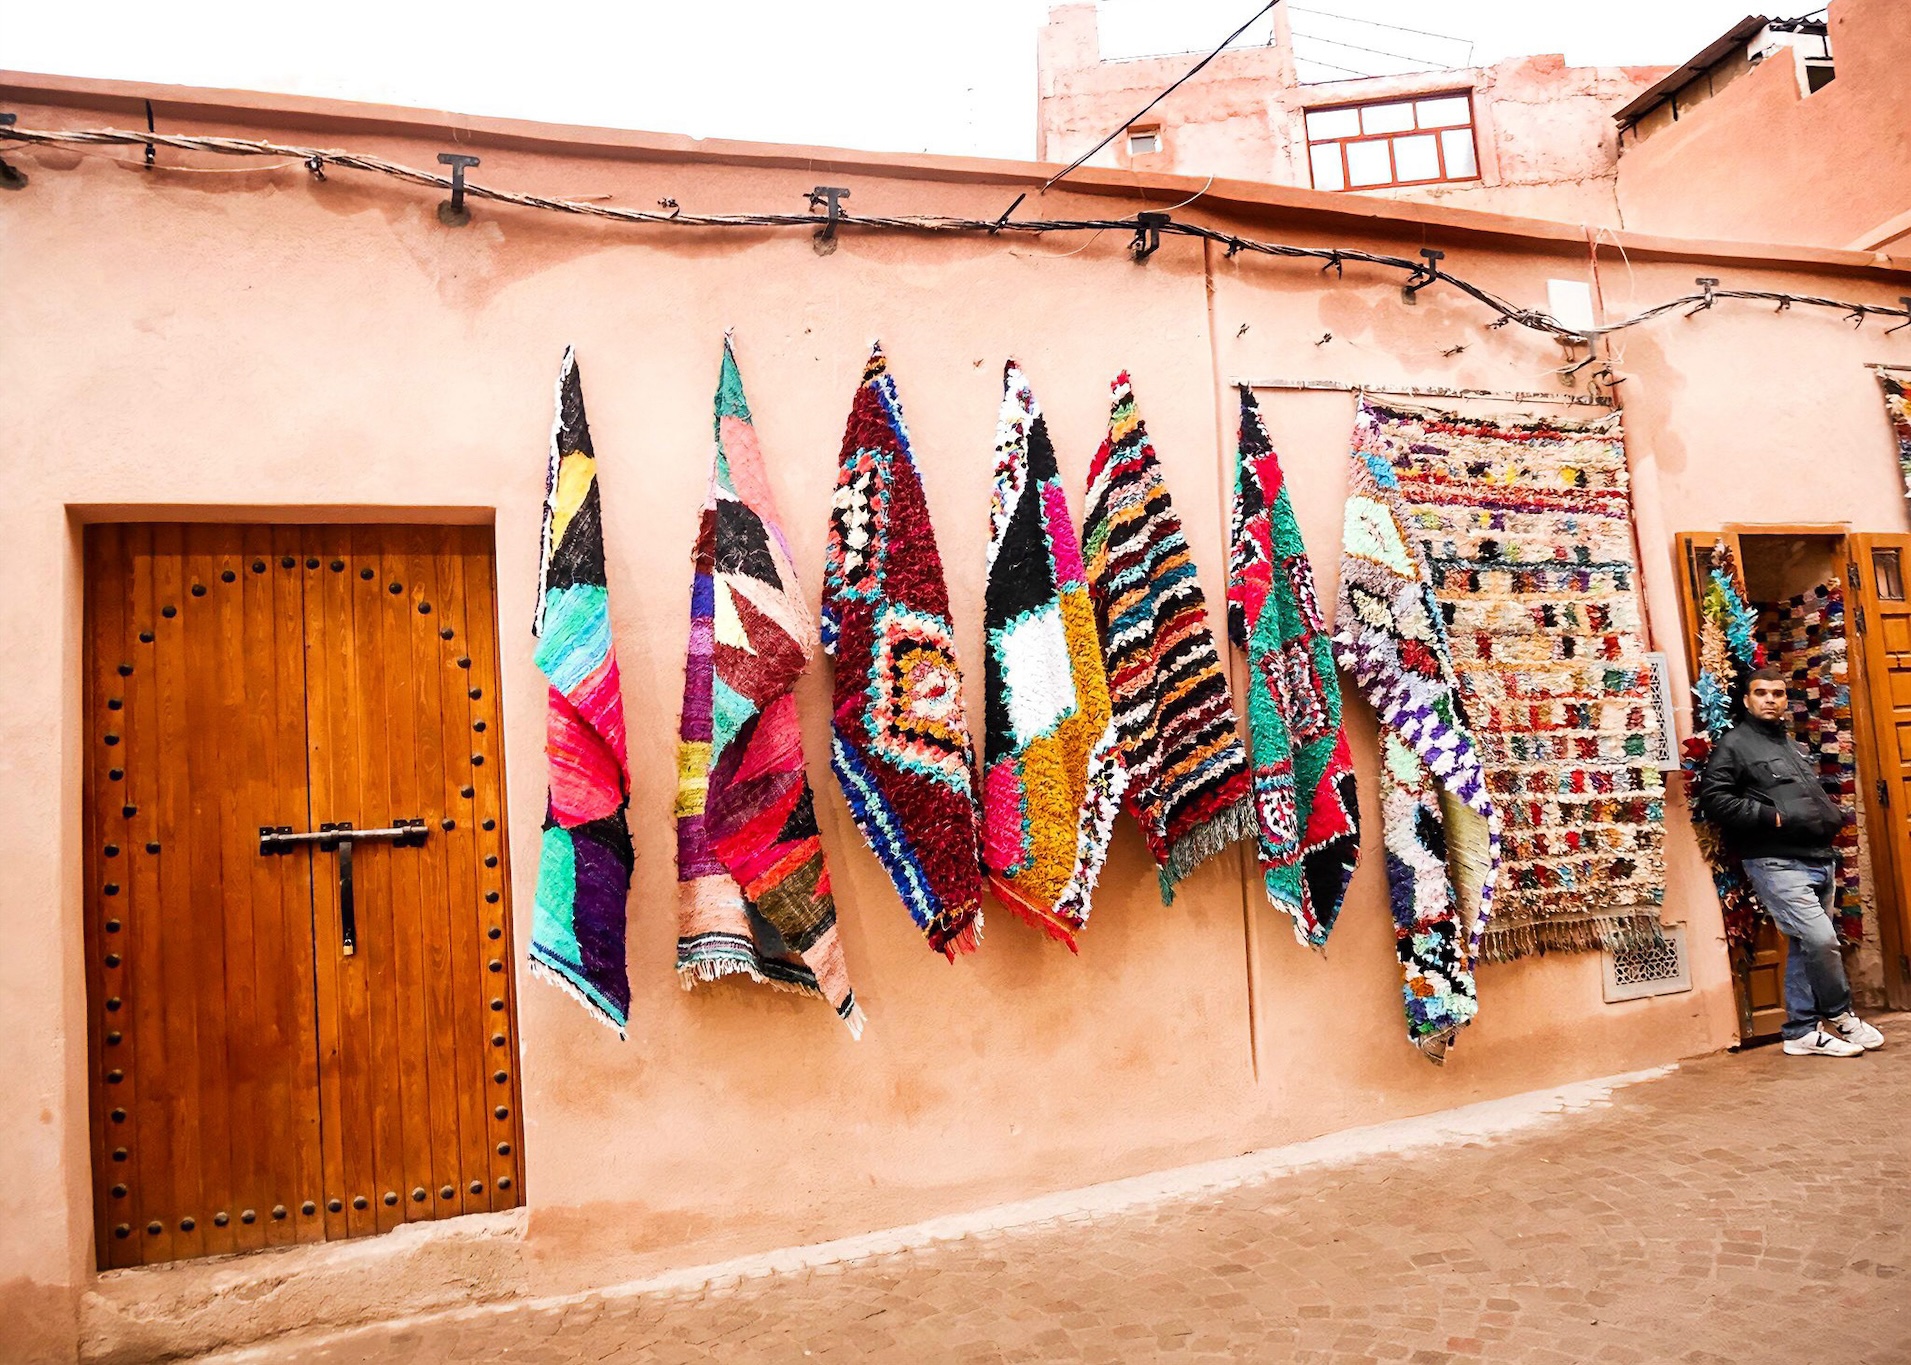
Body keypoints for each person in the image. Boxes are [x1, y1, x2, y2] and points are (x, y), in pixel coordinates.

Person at [1698, 665, 1885, 1057]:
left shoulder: (1790, 745)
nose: (1770, 699)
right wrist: (1772, 817)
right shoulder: (1735, 744)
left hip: (1818, 857)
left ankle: (1800, 1032)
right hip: (1775, 860)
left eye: (1778, 693)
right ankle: (1841, 1014)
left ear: (1786, 700)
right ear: (1747, 700)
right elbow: (1714, 799)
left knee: (1806, 945)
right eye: (1762, 693)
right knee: (1822, 939)